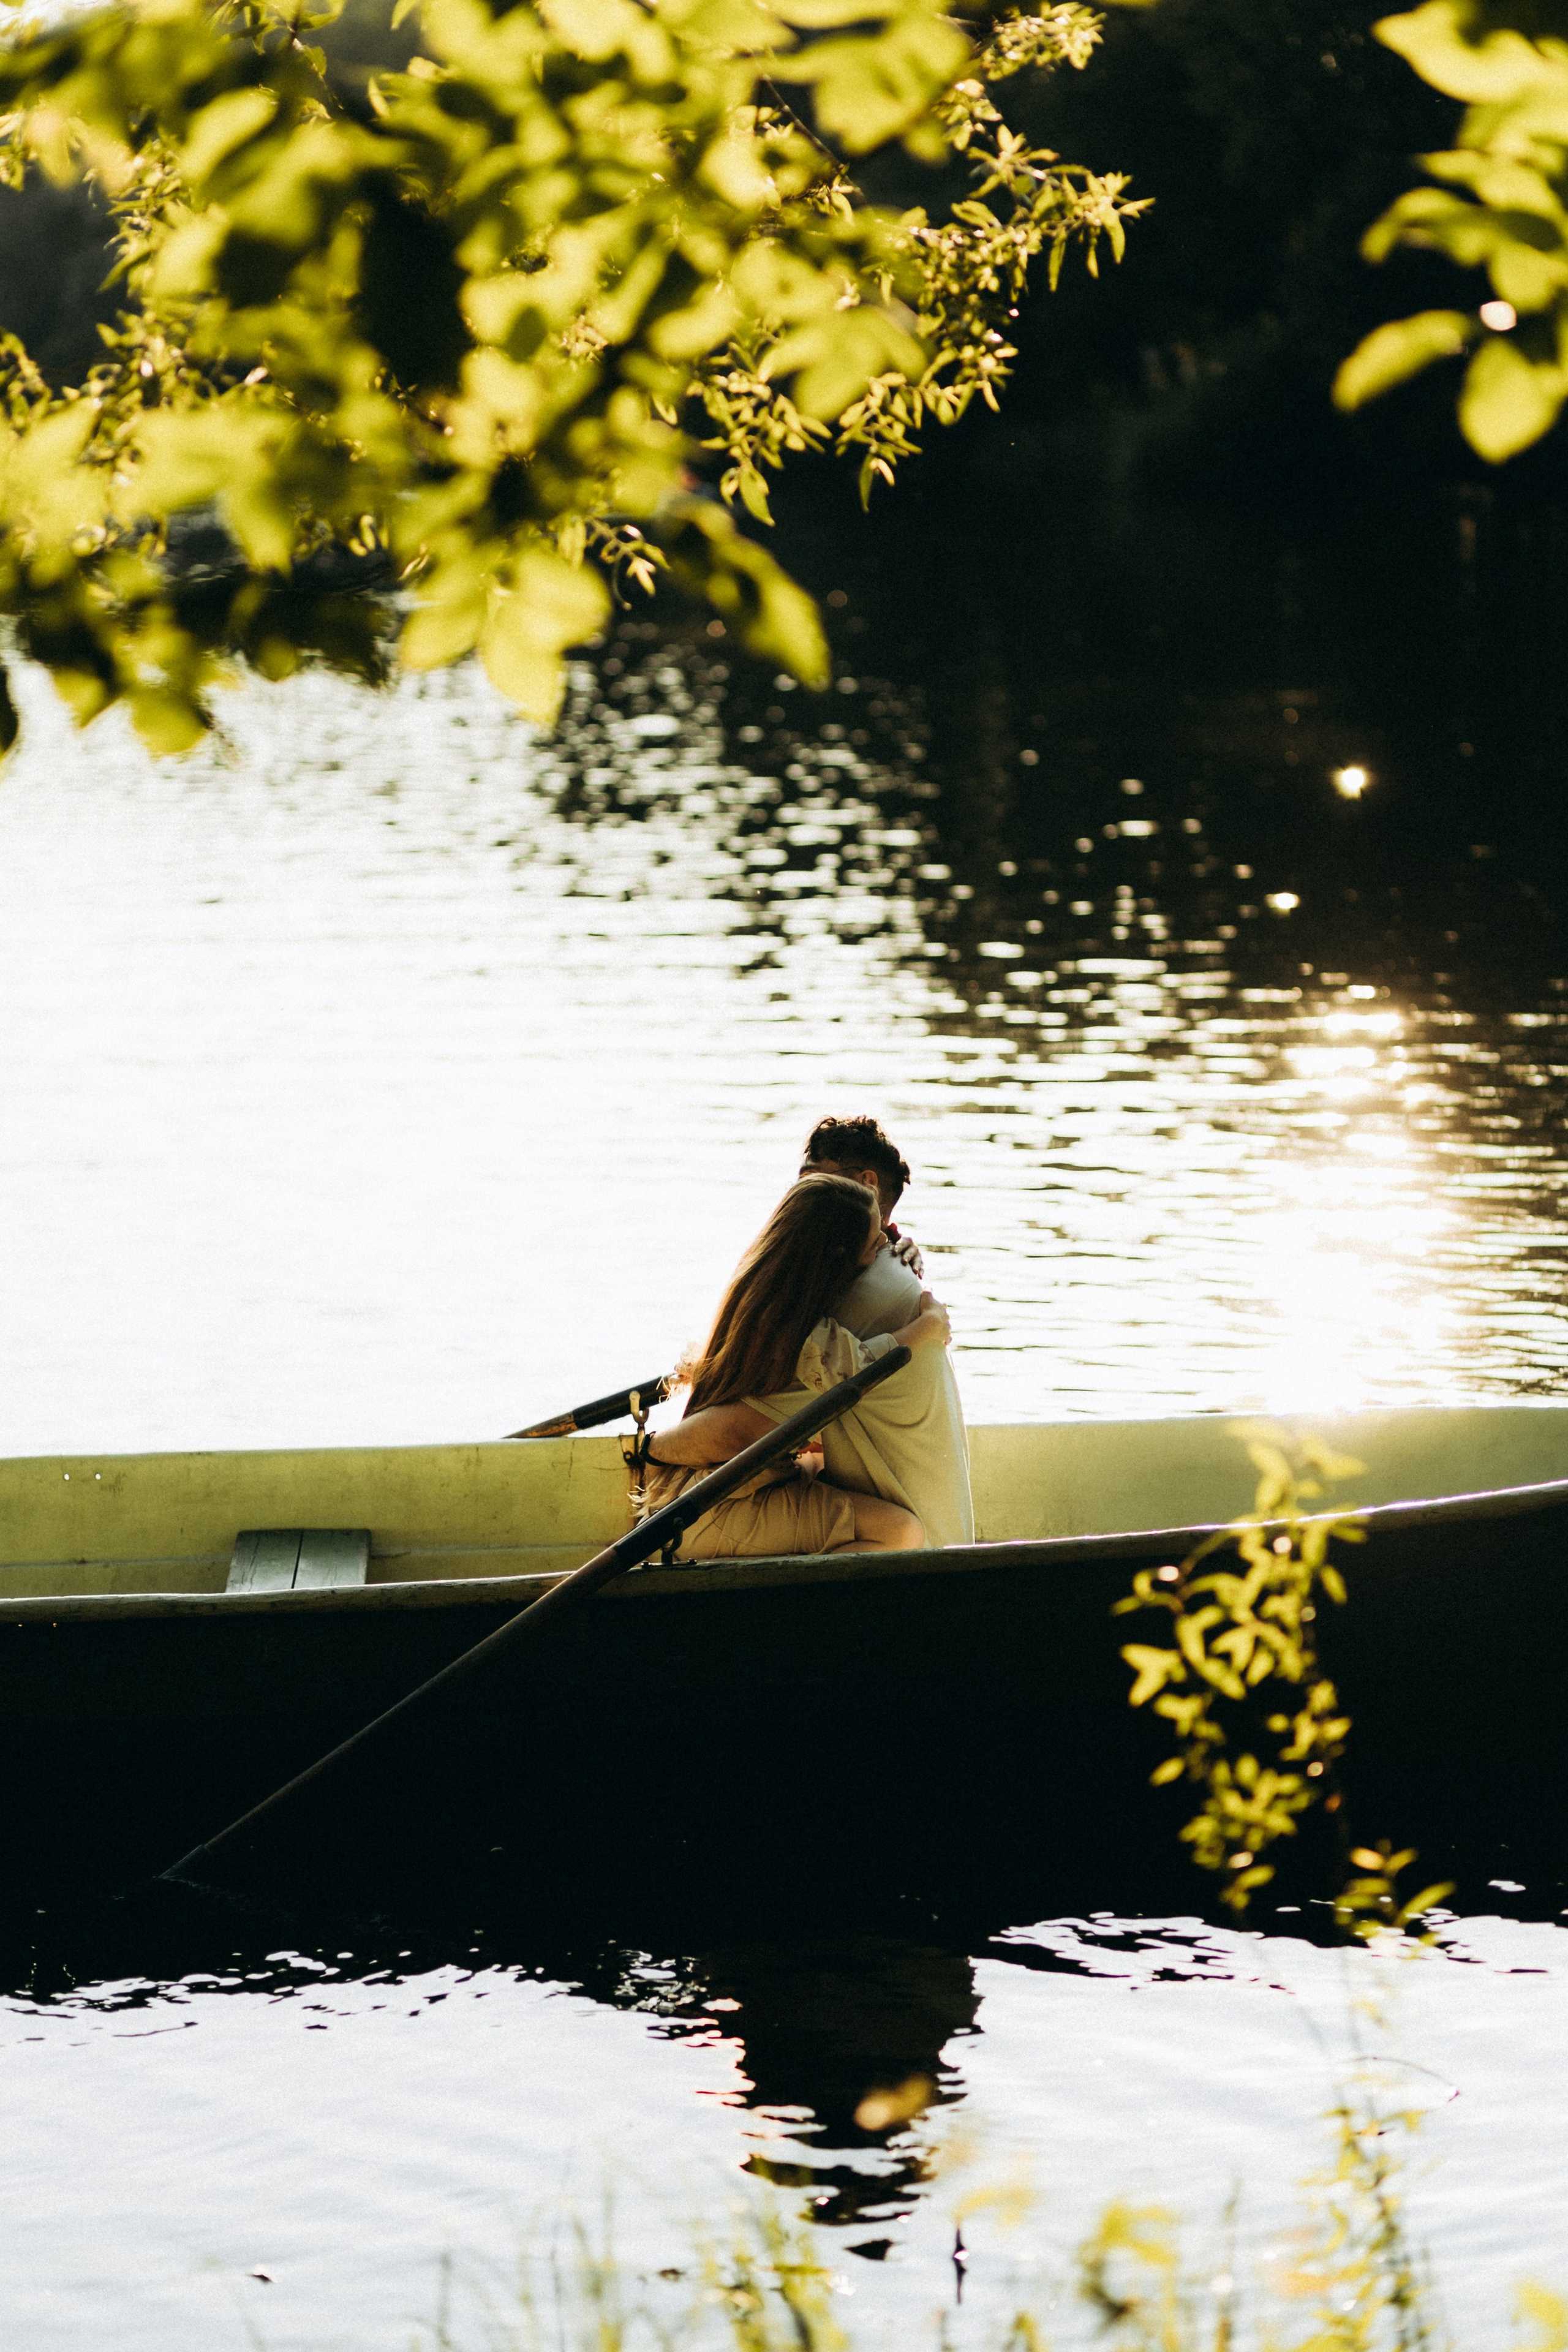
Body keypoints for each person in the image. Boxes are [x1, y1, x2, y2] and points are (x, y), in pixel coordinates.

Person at [640, 1174, 951, 1559]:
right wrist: (928, 1327)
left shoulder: (764, 1294)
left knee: (828, 1461)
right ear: (838, 1255)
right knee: (901, 1532)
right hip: (706, 1511)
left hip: (720, 1490)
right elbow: (859, 1368)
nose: (885, 1243)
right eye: (875, 1241)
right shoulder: (803, 1335)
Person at [793, 1115, 974, 1548]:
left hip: (906, 1551)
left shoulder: (865, 1294)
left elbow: (790, 1361)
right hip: (926, 1535)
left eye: (811, 1178)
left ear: (867, 1184)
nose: (796, 1195)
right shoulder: (890, 1273)